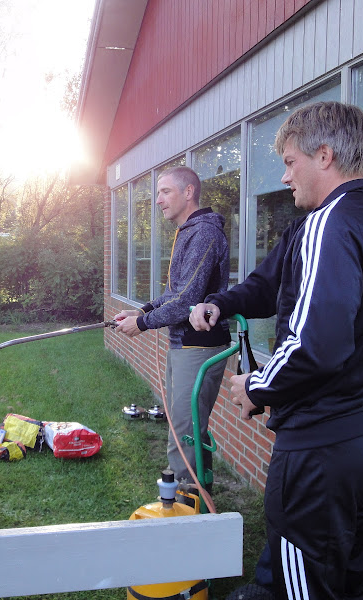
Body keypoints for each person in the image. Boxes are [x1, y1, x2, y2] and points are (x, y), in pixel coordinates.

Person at [192, 101, 363, 600]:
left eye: (290, 162)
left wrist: (257, 385)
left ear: (325, 155)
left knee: (296, 586)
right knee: (349, 576)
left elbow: (318, 346)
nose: (285, 176)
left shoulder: (329, 223)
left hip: (321, 446)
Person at [113, 165, 231, 488]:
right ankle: (195, 501)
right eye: (158, 193)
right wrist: (141, 310)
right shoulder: (188, 231)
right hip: (184, 345)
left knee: (184, 433)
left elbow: (186, 300)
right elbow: (174, 294)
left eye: (165, 192)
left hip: (200, 346)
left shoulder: (204, 233)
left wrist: (143, 323)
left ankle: (184, 504)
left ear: (188, 192)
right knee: (189, 429)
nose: (158, 200)